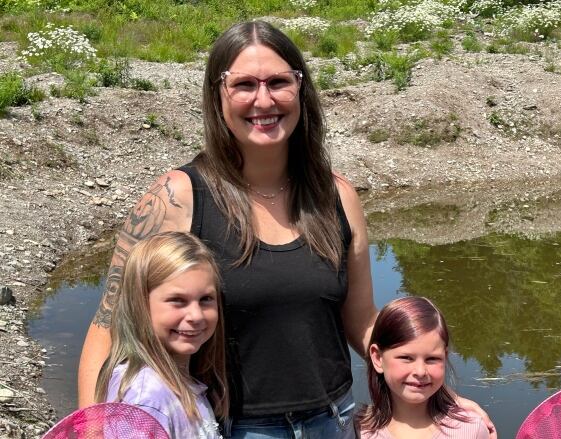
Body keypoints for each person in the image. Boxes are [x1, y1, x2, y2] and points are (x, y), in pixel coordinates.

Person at [78, 20, 494, 439]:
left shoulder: (337, 196)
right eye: (243, 85)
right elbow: (109, 328)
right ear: (217, 95)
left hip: (335, 420)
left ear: (301, 90)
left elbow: (363, 319)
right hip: (234, 426)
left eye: (279, 81)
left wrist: (432, 386)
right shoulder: (178, 196)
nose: (264, 100)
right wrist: (94, 429)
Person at [94, 231, 228, 438]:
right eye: (177, 300)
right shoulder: (147, 398)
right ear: (140, 304)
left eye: (205, 299)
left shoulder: (173, 381)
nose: (195, 315)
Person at [358, 297, 490, 439]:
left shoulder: (471, 430)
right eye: (406, 358)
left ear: (445, 357)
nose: (420, 371)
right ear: (378, 358)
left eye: (432, 359)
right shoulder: (356, 431)